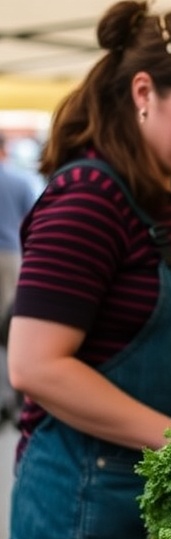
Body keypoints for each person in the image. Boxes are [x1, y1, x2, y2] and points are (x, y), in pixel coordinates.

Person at [5, 2, 171, 539]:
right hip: (83, 514)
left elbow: (125, 341)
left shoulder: (169, 199)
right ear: (145, 92)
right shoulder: (90, 199)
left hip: (141, 501)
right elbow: (36, 367)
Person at [0, 133, 38, 426]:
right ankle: (10, 400)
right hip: (10, 257)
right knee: (8, 329)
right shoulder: (19, 180)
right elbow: (32, 220)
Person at [0, 133, 37, 317]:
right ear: (4, 150)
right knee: (7, 306)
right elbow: (32, 219)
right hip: (10, 251)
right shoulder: (21, 182)